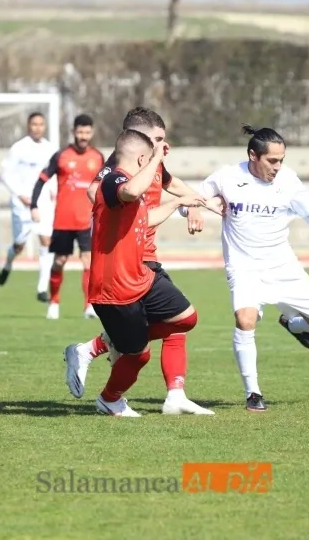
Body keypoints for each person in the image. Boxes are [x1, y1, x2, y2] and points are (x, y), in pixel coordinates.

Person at [198, 125, 309, 412]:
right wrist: (195, 208)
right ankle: (253, 393)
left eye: (281, 160)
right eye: (272, 161)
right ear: (253, 155)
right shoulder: (227, 176)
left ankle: (292, 322)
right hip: (244, 268)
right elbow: (189, 200)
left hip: (283, 266)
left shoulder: (288, 181)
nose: (277, 167)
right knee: (245, 320)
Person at [64, 107, 214, 415]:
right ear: (140, 142)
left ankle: (173, 395)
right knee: (139, 351)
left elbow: (152, 208)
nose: (163, 145)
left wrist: (189, 204)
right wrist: (118, 209)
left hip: (140, 266)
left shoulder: (149, 167)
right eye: (157, 140)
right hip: (126, 268)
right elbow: (104, 192)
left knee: (181, 321)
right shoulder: (118, 172)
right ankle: (106, 380)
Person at [30, 114, 105, 320]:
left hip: (88, 220)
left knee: (88, 262)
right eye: (80, 132)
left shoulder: (98, 157)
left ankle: (89, 306)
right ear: (73, 132)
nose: (83, 136)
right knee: (59, 261)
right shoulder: (61, 156)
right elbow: (41, 180)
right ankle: (54, 303)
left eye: (87, 132)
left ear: (92, 133)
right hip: (63, 220)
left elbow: (108, 185)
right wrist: (34, 205)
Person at [0, 112, 57, 301]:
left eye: (41, 124)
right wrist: (20, 194)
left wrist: (54, 190)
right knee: (19, 245)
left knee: (46, 241)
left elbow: (55, 173)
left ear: (44, 126)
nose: (37, 128)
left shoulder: (51, 148)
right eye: (34, 124)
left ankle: (42, 289)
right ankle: (8, 264)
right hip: (22, 202)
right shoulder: (19, 148)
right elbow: (5, 174)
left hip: (43, 201)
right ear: (28, 126)